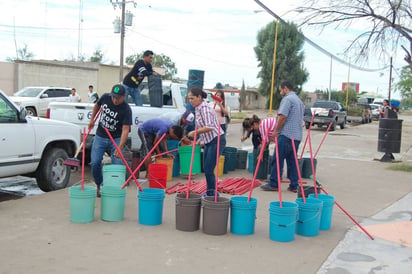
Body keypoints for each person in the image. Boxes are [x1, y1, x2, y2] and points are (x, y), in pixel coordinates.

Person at [88, 84, 132, 197]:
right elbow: (97, 106)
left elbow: (125, 130)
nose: (115, 100)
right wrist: (92, 119)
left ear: (124, 96)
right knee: (95, 162)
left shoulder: (126, 110)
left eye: (118, 98)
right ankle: (99, 184)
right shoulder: (105, 97)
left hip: (116, 138)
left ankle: (115, 190)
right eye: (113, 97)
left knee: (118, 165)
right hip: (101, 135)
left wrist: (120, 147)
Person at [261, 80, 304, 193]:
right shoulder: (299, 101)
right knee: (292, 161)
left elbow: (283, 117)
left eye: (281, 90)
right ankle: (294, 185)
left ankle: (274, 183)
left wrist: (276, 130)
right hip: (297, 136)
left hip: (286, 135)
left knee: (277, 159)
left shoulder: (288, 99)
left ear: (285, 88)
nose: (280, 93)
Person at [187, 87, 226, 197]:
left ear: (199, 97)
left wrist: (195, 132)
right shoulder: (198, 107)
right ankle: (210, 192)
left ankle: (212, 194)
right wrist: (200, 139)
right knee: (206, 168)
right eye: (189, 99)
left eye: (192, 98)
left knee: (209, 169)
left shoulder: (205, 108)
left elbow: (210, 127)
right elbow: (204, 127)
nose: (191, 101)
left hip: (216, 139)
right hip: (209, 140)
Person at [242, 115, 276, 180]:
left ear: (255, 124)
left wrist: (261, 154)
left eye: (253, 127)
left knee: (275, 160)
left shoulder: (261, 126)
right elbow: (267, 140)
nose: (254, 129)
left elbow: (265, 141)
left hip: (280, 137)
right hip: (278, 137)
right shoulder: (262, 124)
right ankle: (274, 179)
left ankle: (274, 180)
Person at [209, 90, 228, 154]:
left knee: (221, 141)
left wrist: (220, 104)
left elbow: (226, 113)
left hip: (221, 125)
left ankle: (219, 154)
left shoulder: (223, 104)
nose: (218, 96)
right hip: (213, 124)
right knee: (214, 141)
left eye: (219, 96)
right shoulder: (211, 104)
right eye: (217, 95)